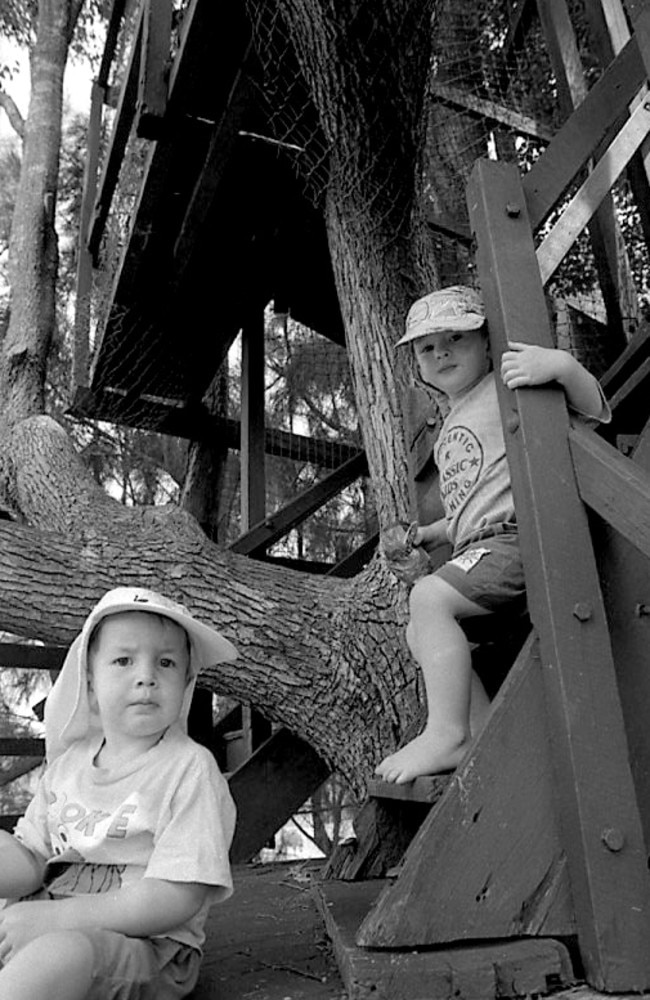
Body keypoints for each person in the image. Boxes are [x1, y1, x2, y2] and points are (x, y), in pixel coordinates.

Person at [376, 285, 610, 784]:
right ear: (416, 363)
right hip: (478, 543)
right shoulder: (452, 421)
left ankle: (447, 732)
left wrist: (563, 369)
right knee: (420, 626)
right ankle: (476, 733)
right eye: (426, 347)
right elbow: (469, 507)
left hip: (516, 539)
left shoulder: (504, 386)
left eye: (456, 337)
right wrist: (430, 532)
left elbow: (594, 410)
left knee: (428, 598)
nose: (441, 353)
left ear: (486, 343)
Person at [0, 586, 239, 1000]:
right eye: (124, 660)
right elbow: (32, 862)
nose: (146, 675)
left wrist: (57, 920)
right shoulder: (67, 767)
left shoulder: (188, 770)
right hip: (42, 918)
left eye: (165, 663)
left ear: (186, 682)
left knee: (61, 955)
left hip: (145, 947)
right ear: (90, 682)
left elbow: (176, 896)